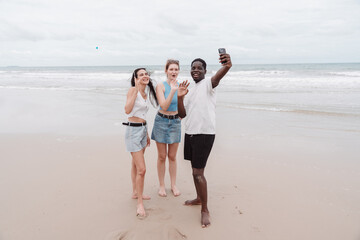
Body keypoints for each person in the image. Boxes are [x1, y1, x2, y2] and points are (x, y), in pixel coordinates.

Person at [177, 52, 232, 227]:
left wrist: (227, 65)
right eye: (193, 68)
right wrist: (180, 97)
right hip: (190, 133)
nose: (196, 70)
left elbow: (218, 77)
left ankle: (205, 209)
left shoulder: (208, 84)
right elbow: (182, 114)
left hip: (205, 134)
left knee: (198, 172)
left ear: (205, 71)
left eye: (199, 68)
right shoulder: (190, 91)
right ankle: (199, 198)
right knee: (195, 170)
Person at [124, 68, 158, 218]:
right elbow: (127, 110)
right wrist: (136, 88)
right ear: (136, 78)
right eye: (141, 75)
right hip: (132, 131)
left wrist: (147, 133)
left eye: (146, 74)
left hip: (143, 131)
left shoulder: (146, 93)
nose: (145, 76)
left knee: (135, 165)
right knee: (142, 169)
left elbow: (143, 114)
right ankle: (139, 203)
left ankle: (135, 192)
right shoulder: (133, 90)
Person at [151, 59, 181, 197]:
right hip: (161, 121)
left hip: (175, 122)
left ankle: (173, 185)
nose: (173, 72)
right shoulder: (160, 86)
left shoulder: (181, 86)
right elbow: (163, 105)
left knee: (172, 157)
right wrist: (173, 90)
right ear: (166, 71)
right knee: (162, 156)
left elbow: (182, 106)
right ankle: (162, 185)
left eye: (176, 69)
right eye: (171, 69)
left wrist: (179, 117)